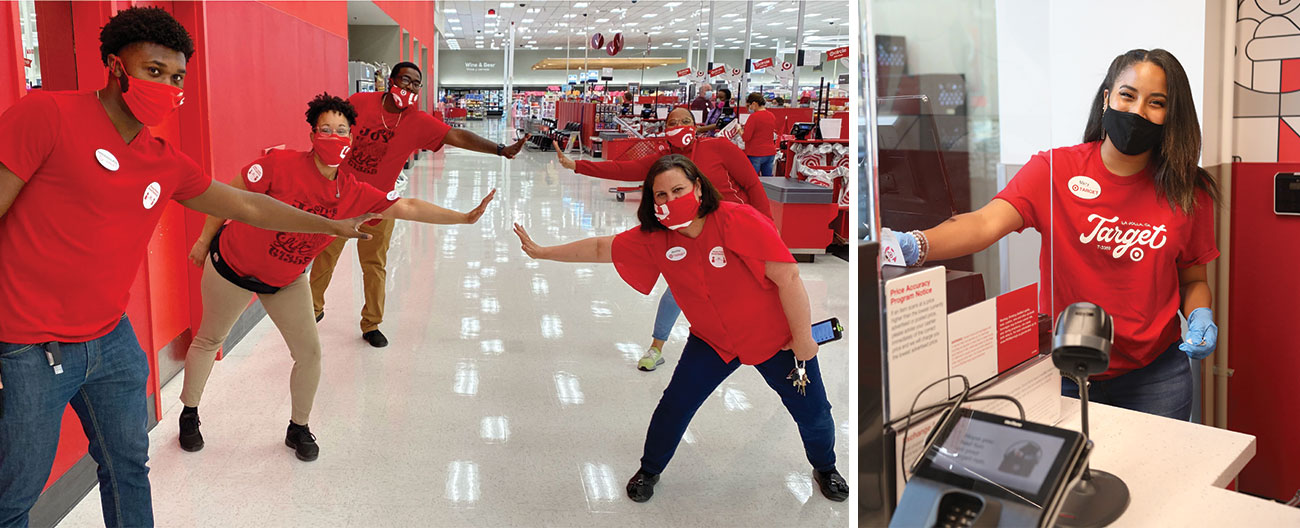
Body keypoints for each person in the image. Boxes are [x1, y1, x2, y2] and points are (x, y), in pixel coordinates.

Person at [0, 7, 377, 526]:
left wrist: (330, 226)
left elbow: (245, 204)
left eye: (176, 76)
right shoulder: (47, 115)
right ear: (115, 65)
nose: (167, 85)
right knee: (15, 495)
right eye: (153, 70)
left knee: (129, 466)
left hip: (111, 342)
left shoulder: (163, 159)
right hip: (27, 346)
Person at [890, 49, 1219, 421]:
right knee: (1065, 473)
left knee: (1154, 477)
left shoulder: (1187, 190)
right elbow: (984, 224)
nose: (1138, 111)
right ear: (1107, 97)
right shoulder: (1053, 170)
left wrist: (1200, 315)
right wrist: (912, 245)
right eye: (1128, 95)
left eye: (1156, 103)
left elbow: (1193, 279)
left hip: (1156, 376)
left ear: (1170, 115)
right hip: (1064, 367)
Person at [177, 93, 496, 461]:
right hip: (230, 266)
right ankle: (189, 413)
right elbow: (228, 197)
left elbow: (406, 206)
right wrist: (203, 241)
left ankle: (298, 428)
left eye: (341, 130)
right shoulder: (278, 164)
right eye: (325, 129)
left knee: (310, 354)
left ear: (352, 137)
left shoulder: (353, 191)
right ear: (312, 134)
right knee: (209, 339)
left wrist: (462, 216)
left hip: (286, 279)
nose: (334, 136)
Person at [513, 155, 848, 503]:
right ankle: (650, 469)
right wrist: (542, 252)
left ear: (698, 187)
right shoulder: (655, 238)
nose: (671, 200)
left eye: (678, 190)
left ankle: (825, 467)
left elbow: (788, 277)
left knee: (815, 412)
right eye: (661, 195)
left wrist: (803, 339)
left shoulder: (739, 220)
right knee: (674, 406)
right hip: (712, 342)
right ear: (652, 201)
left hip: (777, 340)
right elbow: (601, 247)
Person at [309, 62, 528, 349]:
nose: (410, 87)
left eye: (416, 83)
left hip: (379, 204)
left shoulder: (417, 121)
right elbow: (333, 131)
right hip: (340, 196)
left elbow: (457, 136)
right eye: (405, 80)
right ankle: (312, 310)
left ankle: (371, 323)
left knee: (374, 265)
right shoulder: (360, 103)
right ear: (391, 81)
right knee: (324, 254)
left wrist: (500, 149)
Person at [555, 107, 772, 371]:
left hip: (734, 230)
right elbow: (624, 169)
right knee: (678, 291)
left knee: (762, 283)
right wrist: (577, 165)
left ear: (696, 125)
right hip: (689, 235)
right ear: (665, 127)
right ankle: (657, 347)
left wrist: (767, 226)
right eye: (673, 121)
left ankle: (770, 340)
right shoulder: (664, 162)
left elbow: (752, 184)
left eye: (686, 121)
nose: (680, 125)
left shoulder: (719, 149)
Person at [741, 92, 779, 177]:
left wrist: (739, 129)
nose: (749, 108)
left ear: (754, 103)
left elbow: (746, 137)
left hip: (755, 153)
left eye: (749, 105)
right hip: (770, 152)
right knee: (768, 181)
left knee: (752, 180)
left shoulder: (754, 117)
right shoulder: (771, 115)